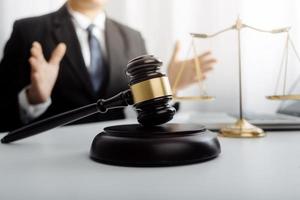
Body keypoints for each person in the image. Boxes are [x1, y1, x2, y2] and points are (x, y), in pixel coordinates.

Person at [0, 0, 216, 131]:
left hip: (118, 153)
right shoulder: (28, 31)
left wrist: (170, 87)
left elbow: (141, 110)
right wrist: (33, 99)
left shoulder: (133, 38)